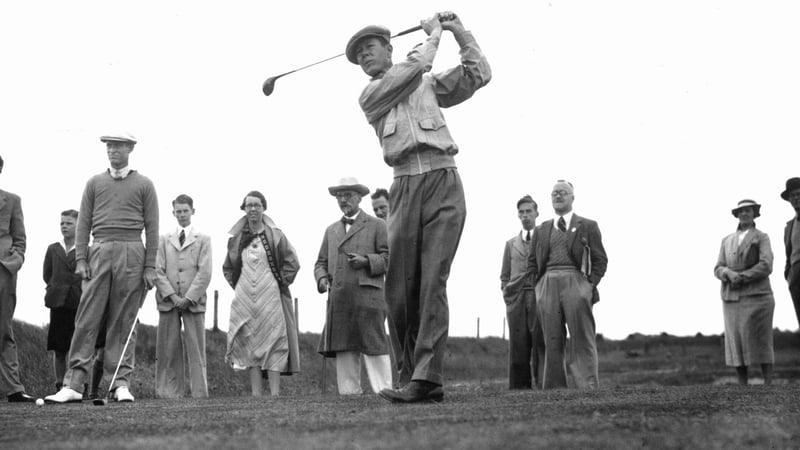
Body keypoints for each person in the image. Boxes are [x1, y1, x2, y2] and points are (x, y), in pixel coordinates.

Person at [347, 10, 491, 403]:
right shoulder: (371, 96)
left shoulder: (425, 83)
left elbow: (479, 74)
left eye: (369, 48)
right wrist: (434, 34)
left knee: (432, 282)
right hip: (404, 186)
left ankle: (426, 378)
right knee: (399, 291)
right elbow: (417, 65)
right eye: (358, 53)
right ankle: (410, 375)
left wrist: (459, 30)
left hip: (444, 181)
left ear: (388, 47)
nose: (363, 56)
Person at [46, 132, 159, 404]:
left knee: (124, 321)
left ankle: (120, 384)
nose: (112, 151)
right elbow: (83, 224)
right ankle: (73, 384)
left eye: (118, 146)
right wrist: (82, 259)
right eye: (109, 146)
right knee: (87, 318)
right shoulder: (94, 182)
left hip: (132, 250)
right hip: (100, 248)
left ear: (131, 148)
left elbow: (153, 228)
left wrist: (150, 266)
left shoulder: (144, 184)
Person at [526, 180, 608, 389]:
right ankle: (554, 387)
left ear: (573, 197)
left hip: (576, 282)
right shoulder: (542, 229)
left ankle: (587, 384)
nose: (558, 196)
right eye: (554, 193)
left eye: (563, 193)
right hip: (547, 284)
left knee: (581, 336)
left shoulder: (588, 226)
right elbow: (532, 263)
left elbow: (600, 260)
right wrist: (538, 286)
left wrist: (588, 286)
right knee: (551, 338)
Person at [315, 177, 392, 395]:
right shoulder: (331, 230)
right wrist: (321, 279)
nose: (343, 200)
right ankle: (350, 393)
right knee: (344, 346)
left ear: (359, 197)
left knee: (374, 344)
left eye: (347, 195)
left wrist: (367, 261)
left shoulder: (377, 225)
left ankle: (385, 391)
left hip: (368, 296)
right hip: (340, 299)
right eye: (339, 196)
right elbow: (320, 263)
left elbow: (388, 258)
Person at [223, 191, 300, 396]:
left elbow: (292, 262)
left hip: (271, 296)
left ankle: (275, 394)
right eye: (249, 205)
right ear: (244, 209)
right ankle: (256, 395)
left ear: (264, 208)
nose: (253, 209)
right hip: (245, 299)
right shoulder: (237, 238)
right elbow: (228, 268)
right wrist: (240, 286)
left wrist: (280, 282)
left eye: (257, 205)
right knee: (250, 343)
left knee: (274, 340)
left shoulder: (275, 235)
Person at [154, 194, 212, 398]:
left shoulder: (203, 239)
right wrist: (172, 296)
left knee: (196, 350)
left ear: (193, 211)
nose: (182, 215)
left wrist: (188, 298)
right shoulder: (163, 239)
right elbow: (157, 271)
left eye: (185, 211)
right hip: (168, 302)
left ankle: (199, 393)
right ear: (173, 213)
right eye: (178, 211)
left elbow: (205, 273)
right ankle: (169, 393)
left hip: (193, 303)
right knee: (168, 350)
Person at [714, 199, 775, 385]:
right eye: (740, 211)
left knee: (762, 338)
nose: (744, 214)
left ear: (755, 214)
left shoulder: (761, 237)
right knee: (736, 339)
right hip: (732, 296)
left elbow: (766, 265)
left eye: (748, 211)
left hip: (758, 295)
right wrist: (728, 273)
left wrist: (744, 276)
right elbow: (718, 267)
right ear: (736, 215)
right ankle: (742, 384)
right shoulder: (726, 240)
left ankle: (769, 383)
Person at [500, 195, 545, 389]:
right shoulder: (510, 244)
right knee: (518, 343)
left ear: (536, 213)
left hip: (539, 296)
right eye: (521, 212)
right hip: (516, 299)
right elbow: (504, 275)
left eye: (529, 211)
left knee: (541, 341)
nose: (525, 215)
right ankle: (519, 387)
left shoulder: (545, 240)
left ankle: (544, 383)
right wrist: (507, 294)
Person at [0, 155, 35, 403]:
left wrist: (12, 264)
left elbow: (20, 240)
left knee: (3, 330)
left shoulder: (12, 201)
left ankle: (14, 389)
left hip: (3, 274)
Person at [42, 209, 82, 391]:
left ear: (78, 225)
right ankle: (59, 385)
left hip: (79, 303)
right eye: (62, 223)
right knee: (59, 348)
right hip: (58, 303)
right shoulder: (53, 248)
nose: (64, 227)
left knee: (79, 347)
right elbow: (47, 274)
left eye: (69, 223)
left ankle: (77, 385)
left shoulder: (84, 249)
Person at [781, 177, 800, 330]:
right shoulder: (789, 226)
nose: (796, 198)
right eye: (792, 196)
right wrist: (789, 274)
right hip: (795, 277)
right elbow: (789, 254)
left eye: (799, 194)